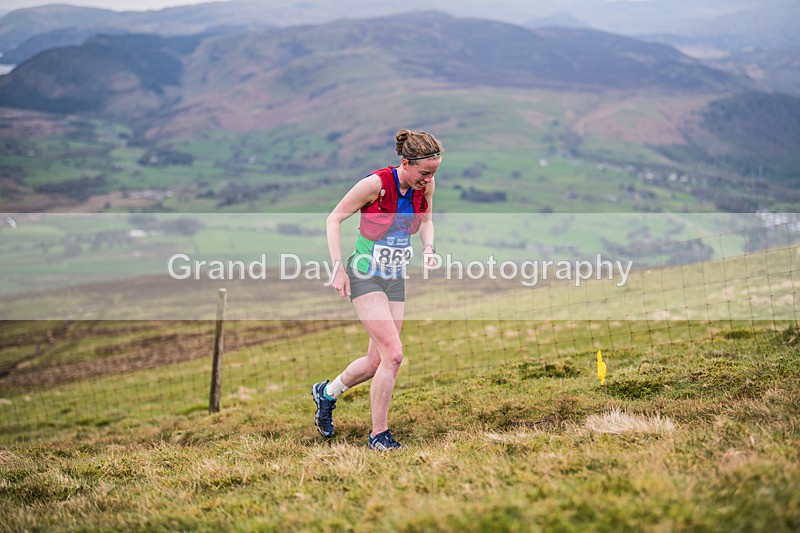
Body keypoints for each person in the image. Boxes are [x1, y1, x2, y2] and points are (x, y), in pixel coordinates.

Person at [312, 129, 443, 451]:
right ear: (406, 163)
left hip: (394, 278)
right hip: (364, 274)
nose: (428, 180)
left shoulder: (424, 186)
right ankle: (378, 435)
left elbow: (426, 221)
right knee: (394, 355)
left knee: (376, 362)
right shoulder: (375, 185)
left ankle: (326, 394)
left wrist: (428, 247)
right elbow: (333, 219)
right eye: (424, 173)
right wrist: (337, 267)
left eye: (433, 173)